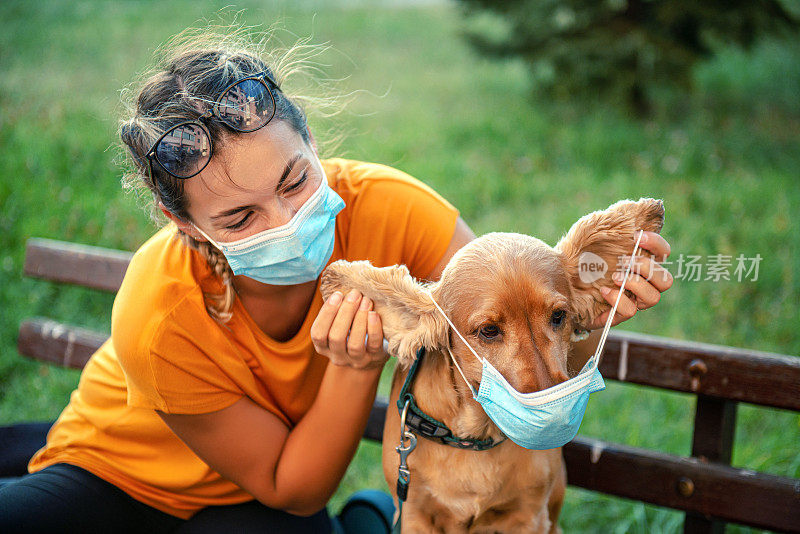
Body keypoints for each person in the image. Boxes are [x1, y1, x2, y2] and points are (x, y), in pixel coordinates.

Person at [0, 28, 673, 534]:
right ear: (185, 225)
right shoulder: (157, 309)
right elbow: (289, 482)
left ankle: (371, 516)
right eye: (240, 217)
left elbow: (500, 345)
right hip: (117, 473)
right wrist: (354, 367)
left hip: (258, 506)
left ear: (313, 143)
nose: (288, 219)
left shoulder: (392, 209)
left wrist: (589, 312)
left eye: (294, 180)